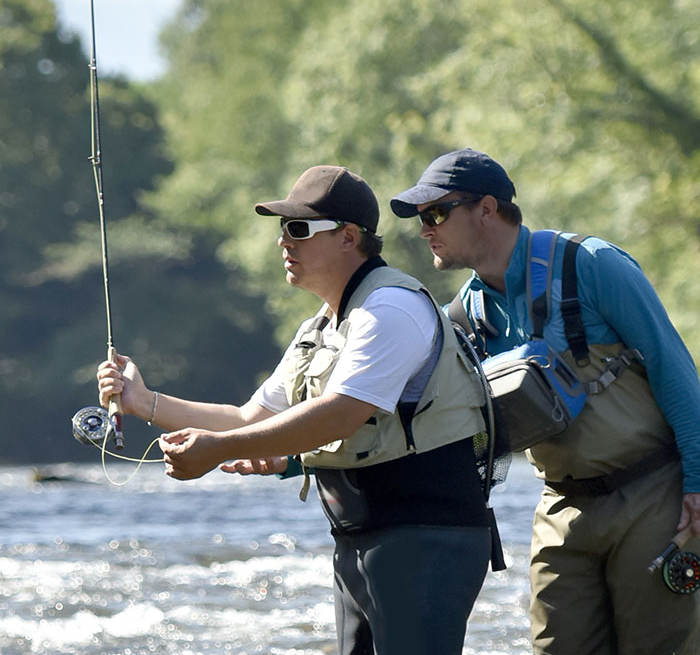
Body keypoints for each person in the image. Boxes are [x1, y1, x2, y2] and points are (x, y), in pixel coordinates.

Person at [97, 164, 494, 655]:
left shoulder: (389, 308)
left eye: (299, 229)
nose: (284, 242)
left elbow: (340, 413)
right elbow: (250, 419)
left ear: (350, 238)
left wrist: (214, 451)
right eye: (283, 229)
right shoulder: (321, 327)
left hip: (423, 541)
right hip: (360, 541)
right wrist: (143, 402)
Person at [389, 147, 700, 655]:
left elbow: (675, 370)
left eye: (436, 213)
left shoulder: (592, 265)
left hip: (652, 496)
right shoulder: (462, 316)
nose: (425, 228)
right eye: (422, 218)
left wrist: (698, 484)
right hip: (560, 506)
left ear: (487, 208)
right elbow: (426, 420)